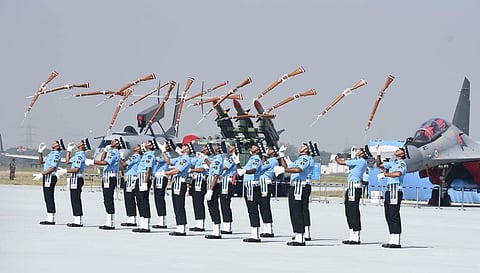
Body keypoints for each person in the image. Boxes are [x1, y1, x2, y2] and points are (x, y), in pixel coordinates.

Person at [274, 142, 314, 246]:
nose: (300, 146)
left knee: (298, 211)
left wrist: (283, 169)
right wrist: (281, 156)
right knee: (294, 210)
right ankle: (298, 234)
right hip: (295, 185)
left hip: (300, 186)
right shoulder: (300, 159)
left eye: (303, 146)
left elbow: (297, 169)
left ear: (307, 150)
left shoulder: (305, 159)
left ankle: (300, 237)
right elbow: (287, 167)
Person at [155, 142, 194, 236]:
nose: (182, 147)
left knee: (179, 205)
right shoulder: (180, 158)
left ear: (188, 149)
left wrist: (164, 173)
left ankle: (182, 227)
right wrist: (164, 151)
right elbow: (168, 162)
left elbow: (177, 170)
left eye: (184, 146)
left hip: (180, 183)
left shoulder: (185, 159)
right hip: (176, 183)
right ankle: (179, 226)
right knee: (176, 205)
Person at [335, 149, 368, 244]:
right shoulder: (358, 161)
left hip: (354, 187)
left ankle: (356, 236)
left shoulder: (360, 161)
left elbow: (341, 162)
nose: (357, 151)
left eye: (359, 151)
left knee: (353, 211)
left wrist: (336, 157)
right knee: (348, 211)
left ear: (362, 154)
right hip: (351, 187)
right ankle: (351, 235)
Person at [376, 147, 408, 248]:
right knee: (388, 214)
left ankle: (397, 239)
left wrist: (385, 174)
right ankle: (392, 237)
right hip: (389, 190)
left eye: (400, 150)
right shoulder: (393, 163)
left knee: (394, 214)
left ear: (402, 154)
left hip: (395, 190)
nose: (397, 150)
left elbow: (398, 174)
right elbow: (379, 165)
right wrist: (378, 155)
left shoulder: (401, 164)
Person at [59, 139, 92, 227]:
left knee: (76, 199)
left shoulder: (80, 156)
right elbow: (67, 161)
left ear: (83, 146)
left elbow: (76, 169)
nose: (79, 143)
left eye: (81, 142)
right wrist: (69, 150)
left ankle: (78, 220)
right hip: (74, 179)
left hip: (77, 178)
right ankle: (76, 219)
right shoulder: (77, 154)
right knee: (73, 199)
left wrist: (66, 171)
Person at [236, 143, 262, 243]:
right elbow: (243, 170)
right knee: (251, 210)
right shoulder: (251, 159)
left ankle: (256, 235)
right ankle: (254, 233)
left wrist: (245, 172)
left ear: (258, 150)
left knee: (253, 210)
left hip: (253, 186)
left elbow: (253, 170)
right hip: (248, 186)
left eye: (254, 146)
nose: (252, 147)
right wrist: (237, 163)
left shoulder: (256, 159)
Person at [93, 138, 122, 230]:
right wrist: (105, 150)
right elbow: (102, 159)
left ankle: (111, 222)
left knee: (108, 199)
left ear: (117, 144)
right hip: (106, 177)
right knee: (106, 199)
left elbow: (105, 162)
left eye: (114, 141)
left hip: (110, 177)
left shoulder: (114, 152)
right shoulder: (110, 151)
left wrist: (92, 162)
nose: (112, 142)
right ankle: (109, 221)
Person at [34, 139, 65, 225]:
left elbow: (53, 168)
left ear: (58, 146)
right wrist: (40, 152)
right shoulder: (51, 154)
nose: (53, 143)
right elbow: (41, 161)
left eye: (56, 143)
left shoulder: (56, 155)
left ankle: (51, 218)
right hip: (47, 176)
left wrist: (42, 174)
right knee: (47, 197)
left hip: (50, 176)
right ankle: (49, 217)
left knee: (49, 196)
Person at [132, 139, 156, 232]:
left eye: (148, 143)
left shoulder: (150, 155)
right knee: (139, 201)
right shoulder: (145, 155)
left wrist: (145, 182)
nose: (145, 143)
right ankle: (142, 223)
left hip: (144, 179)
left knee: (143, 201)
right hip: (140, 178)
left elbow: (148, 169)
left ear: (150, 146)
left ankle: (146, 225)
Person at [188, 144, 211, 232]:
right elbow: (190, 162)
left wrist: (192, 170)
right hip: (195, 181)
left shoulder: (209, 159)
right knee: (195, 202)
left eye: (204, 148)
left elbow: (202, 169)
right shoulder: (198, 158)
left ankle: (201, 224)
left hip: (201, 182)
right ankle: (198, 222)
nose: (202, 149)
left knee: (199, 202)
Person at [258, 144, 279, 238]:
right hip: (262, 183)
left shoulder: (273, 161)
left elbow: (261, 167)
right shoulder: (270, 160)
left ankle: (269, 229)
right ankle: (266, 228)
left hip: (265, 183)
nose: (268, 150)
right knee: (262, 207)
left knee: (265, 206)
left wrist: (263, 156)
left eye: (269, 149)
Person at [151, 140, 173, 229]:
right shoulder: (161, 154)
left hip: (161, 176)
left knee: (160, 198)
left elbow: (159, 160)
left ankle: (162, 221)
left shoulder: (167, 155)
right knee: (157, 198)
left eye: (166, 145)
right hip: (156, 177)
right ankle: (160, 219)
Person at [119, 144, 142, 227]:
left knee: (129, 198)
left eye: (137, 146)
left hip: (131, 178)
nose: (135, 147)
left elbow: (124, 165)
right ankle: (132, 218)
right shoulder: (136, 157)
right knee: (130, 198)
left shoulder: (135, 156)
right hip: (132, 177)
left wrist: (120, 157)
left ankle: (131, 219)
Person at [204, 143, 224, 239]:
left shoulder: (218, 159)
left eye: (217, 146)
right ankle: (215, 229)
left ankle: (217, 231)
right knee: (211, 207)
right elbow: (212, 166)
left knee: (214, 207)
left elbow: (216, 175)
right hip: (211, 185)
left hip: (214, 185)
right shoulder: (216, 159)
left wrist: (211, 189)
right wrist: (204, 158)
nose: (215, 148)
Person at [219, 142, 238, 234]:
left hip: (227, 182)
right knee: (223, 203)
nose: (229, 148)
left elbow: (225, 167)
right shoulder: (229, 158)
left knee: (225, 204)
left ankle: (227, 226)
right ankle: (226, 224)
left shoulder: (233, 158)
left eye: (231, 146)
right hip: (224, 181)